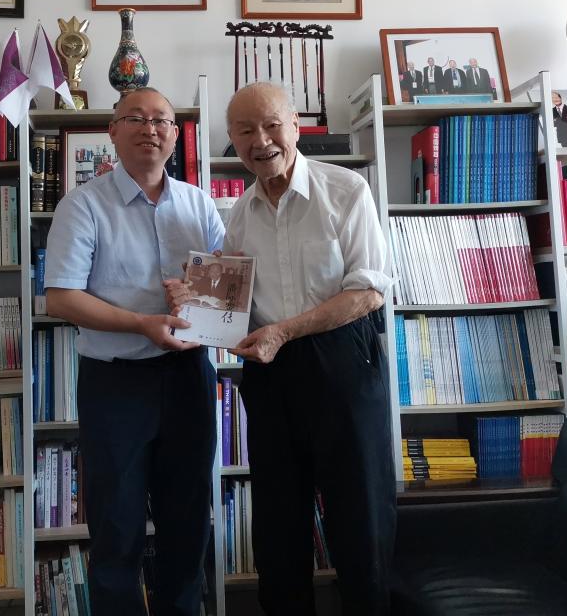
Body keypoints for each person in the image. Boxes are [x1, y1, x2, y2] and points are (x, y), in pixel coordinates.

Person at [168, 82, 396, 616]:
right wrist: (192, 302)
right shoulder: (238, 216)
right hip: (271, 375)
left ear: (296, 125)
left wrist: (284, 331)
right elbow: (233, 309)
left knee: (360, 520)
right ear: (233, 138)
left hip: (342, 360)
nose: (261, 140)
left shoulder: (346, 191)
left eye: (272, 125)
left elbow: (368, 293)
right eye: (246, 130)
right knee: (278, 526)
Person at [45, 87, 224, 616]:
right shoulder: (83, 205)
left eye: (162, 120)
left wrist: (202, 296)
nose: (151, 129)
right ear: (113, 131)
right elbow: (62, 298)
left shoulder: (198, 203)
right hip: (116, 383)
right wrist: (142, 324)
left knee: (188, 521)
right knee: (116, 526)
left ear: (175, 134)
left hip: (188, 374)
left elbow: (227, 288)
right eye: (136, 119)